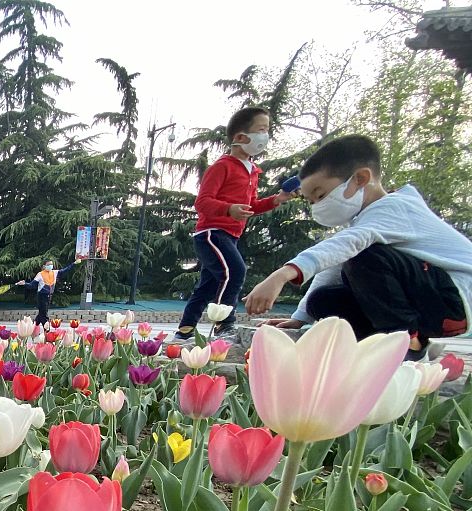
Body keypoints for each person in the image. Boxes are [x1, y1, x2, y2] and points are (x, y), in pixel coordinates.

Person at [245, 135, 471, 359]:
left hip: (455, 299)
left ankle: (405, 346)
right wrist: (301, 316)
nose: (318, 206)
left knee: (365, 258)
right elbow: (335, 264)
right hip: (430, 298)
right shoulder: (365, 223)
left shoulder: (395, 208)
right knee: (322, 301)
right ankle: (395, 342)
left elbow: (349, 244)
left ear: (361, 178)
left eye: (321, 194)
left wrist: (283, 274)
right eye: (312, 201)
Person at [175, 107, 291, 342]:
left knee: (207, 285)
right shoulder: (223, 166)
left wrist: (275, 200)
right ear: (240, 137)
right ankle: (223, 325)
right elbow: (203, 202)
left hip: (231, 235)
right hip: (211, 233)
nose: (265, 136)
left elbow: (251, 207)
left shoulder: (252, 172)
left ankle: (184, 331)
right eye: (261, 130)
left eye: (267, 130)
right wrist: (228, 209)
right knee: (235, 271)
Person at [16, 260, 74, 327]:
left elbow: (65, 270)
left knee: (41, 314)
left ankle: (33, 327)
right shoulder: (40, 274)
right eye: (48, 264)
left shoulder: (54, 272)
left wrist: (74, 263)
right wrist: (24, 283)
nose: (50, 266)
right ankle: (46, 329)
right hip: (41, 296)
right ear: (44, 266)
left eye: (51, 264)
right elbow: (32, 285)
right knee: (44, 314)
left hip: (49, 296)